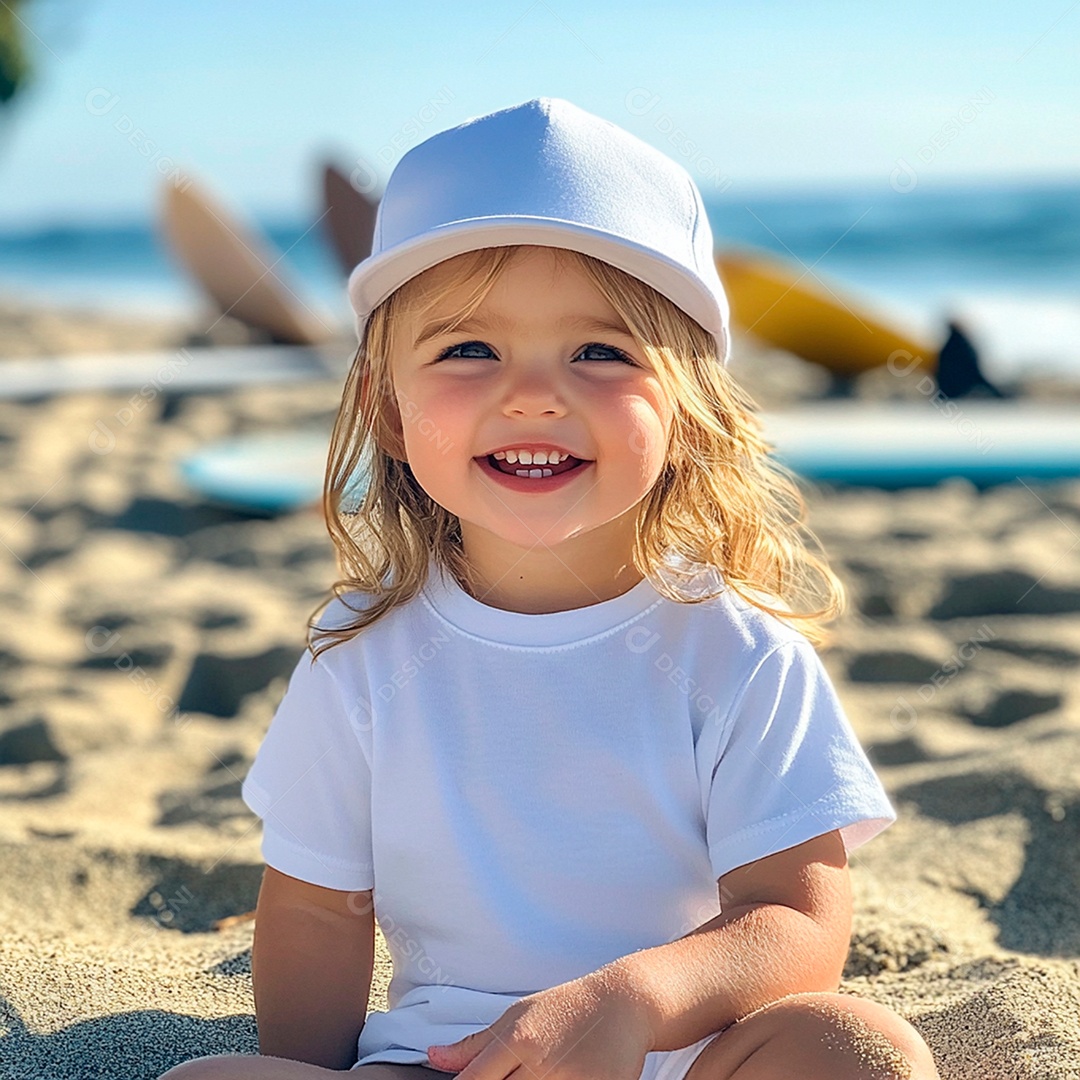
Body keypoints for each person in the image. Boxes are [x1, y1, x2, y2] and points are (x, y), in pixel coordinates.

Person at [160, 98, 941, 1080]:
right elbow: (319, 907)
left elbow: (796, 917)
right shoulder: (364, 660)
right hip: (441, 1061)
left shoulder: (738, 659)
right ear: (387, 409)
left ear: (690, 410)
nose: (533, 393)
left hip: (667, 1054)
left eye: (601, 351)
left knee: (861, 1051)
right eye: (468, 349)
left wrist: (631, 1001)